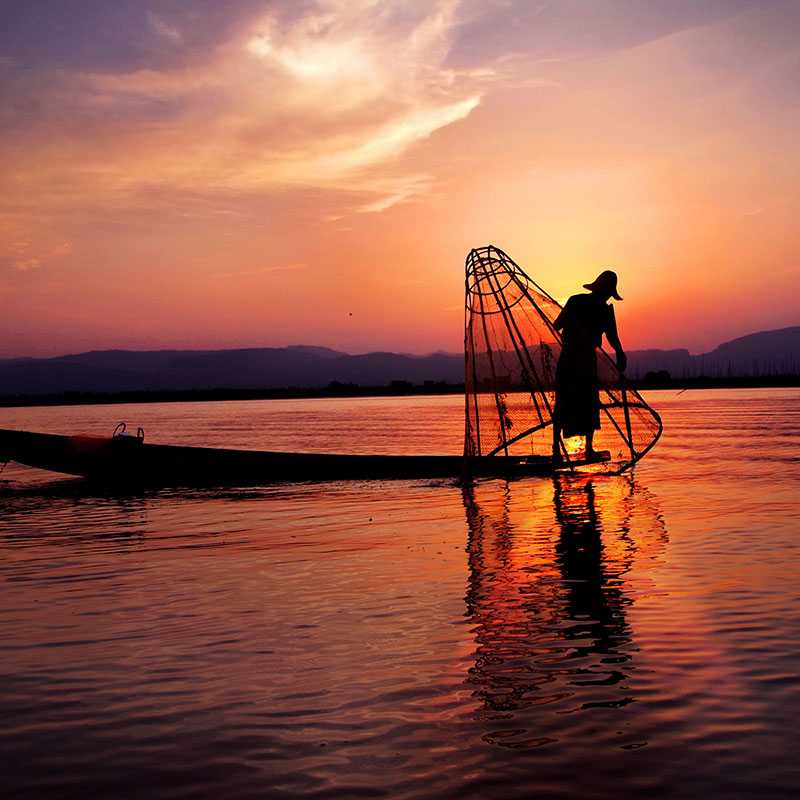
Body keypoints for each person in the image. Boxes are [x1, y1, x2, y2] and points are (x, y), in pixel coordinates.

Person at [552, 269, 627, 463]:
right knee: (564, 402)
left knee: (589, 403)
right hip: (570, 359)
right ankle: (556, 449)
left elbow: (612, 336)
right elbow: (557, 325)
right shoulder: (576, 301)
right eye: (607, 290)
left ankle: (589, 448)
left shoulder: (605, 310)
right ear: (600, 288)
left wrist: (619, 352)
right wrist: (577, 329)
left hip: (587, 362)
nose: (607, 295)